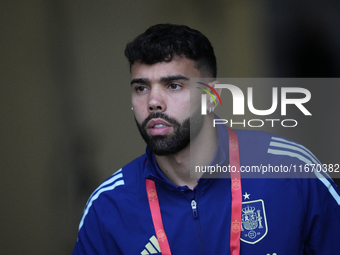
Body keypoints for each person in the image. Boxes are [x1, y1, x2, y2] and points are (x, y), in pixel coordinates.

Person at [72, 24, 340, 255]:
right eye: (141, 88)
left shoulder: (292, 171)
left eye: (173, 86)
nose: (153, 102)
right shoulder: (108, 208)